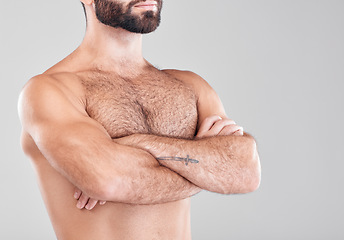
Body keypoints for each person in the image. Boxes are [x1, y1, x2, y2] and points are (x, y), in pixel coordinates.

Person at [18, 0, 261, 239]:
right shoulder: (49, 90)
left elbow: (246, 171)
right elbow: (109, 181)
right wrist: (209, 169)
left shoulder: (190, 86)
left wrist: (136, 143)